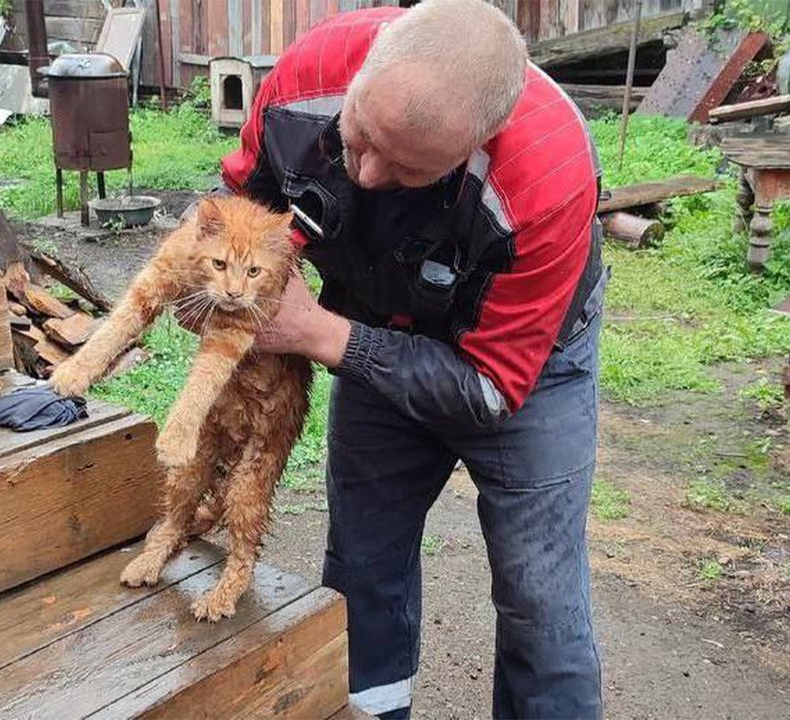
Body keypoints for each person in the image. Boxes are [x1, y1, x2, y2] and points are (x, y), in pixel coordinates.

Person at [216, 1, 606, 716]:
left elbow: (489, 390)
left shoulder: (546, 179)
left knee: (538, 598)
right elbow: (245, 201)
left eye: (408, 169)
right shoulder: (306, 79)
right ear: (361, 75)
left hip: (523, 366)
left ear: (477, 144)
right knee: (363, 561)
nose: (365, 175)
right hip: (372, 313)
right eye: (360, 137)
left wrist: (322, 334)